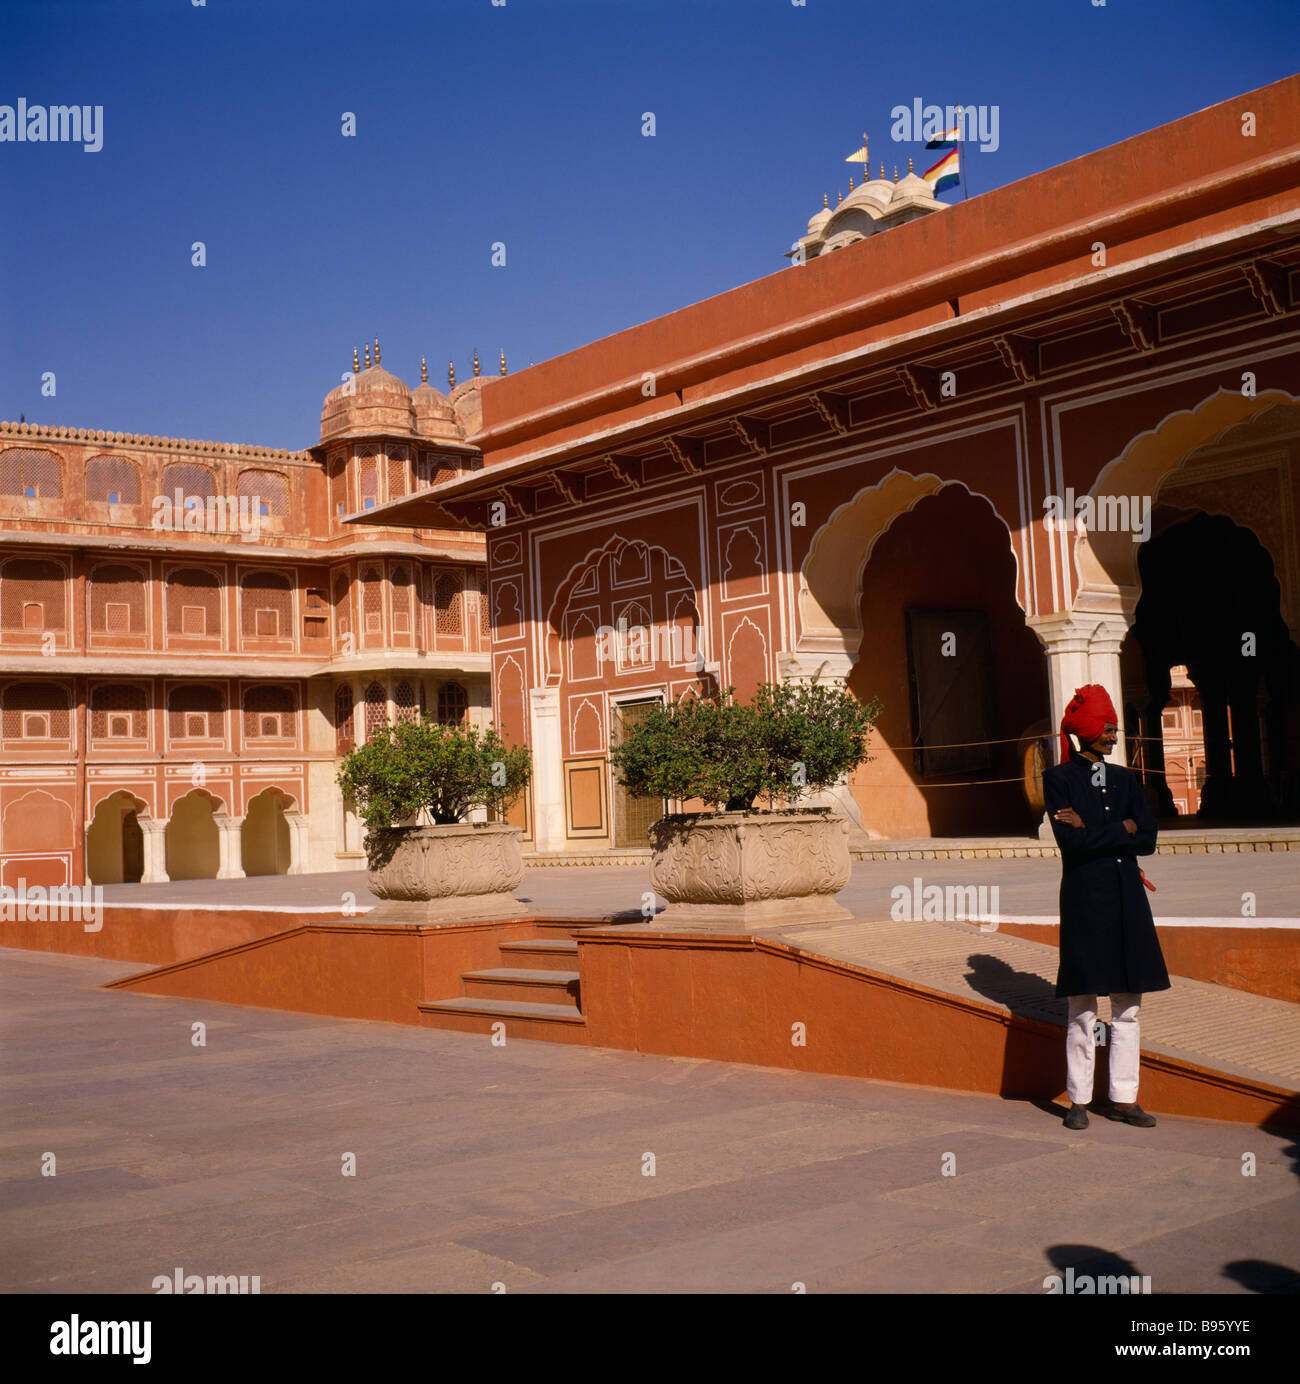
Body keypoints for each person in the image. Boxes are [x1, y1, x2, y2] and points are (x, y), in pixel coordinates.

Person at [1043, 684, 1170, 1130]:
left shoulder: (1125, 779)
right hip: (1084, 901)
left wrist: (1098, 825)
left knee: (1128, 1005)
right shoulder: (1059, 780)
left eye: (1115, 729)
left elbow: (1149, 838)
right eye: (1109, 729)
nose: (1115, 737)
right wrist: (1123, 827)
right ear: (1089, 731)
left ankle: (1123, 1097)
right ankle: (1078, 1099)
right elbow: (1071, 843)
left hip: (1126, 900)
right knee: (1082, 1005)